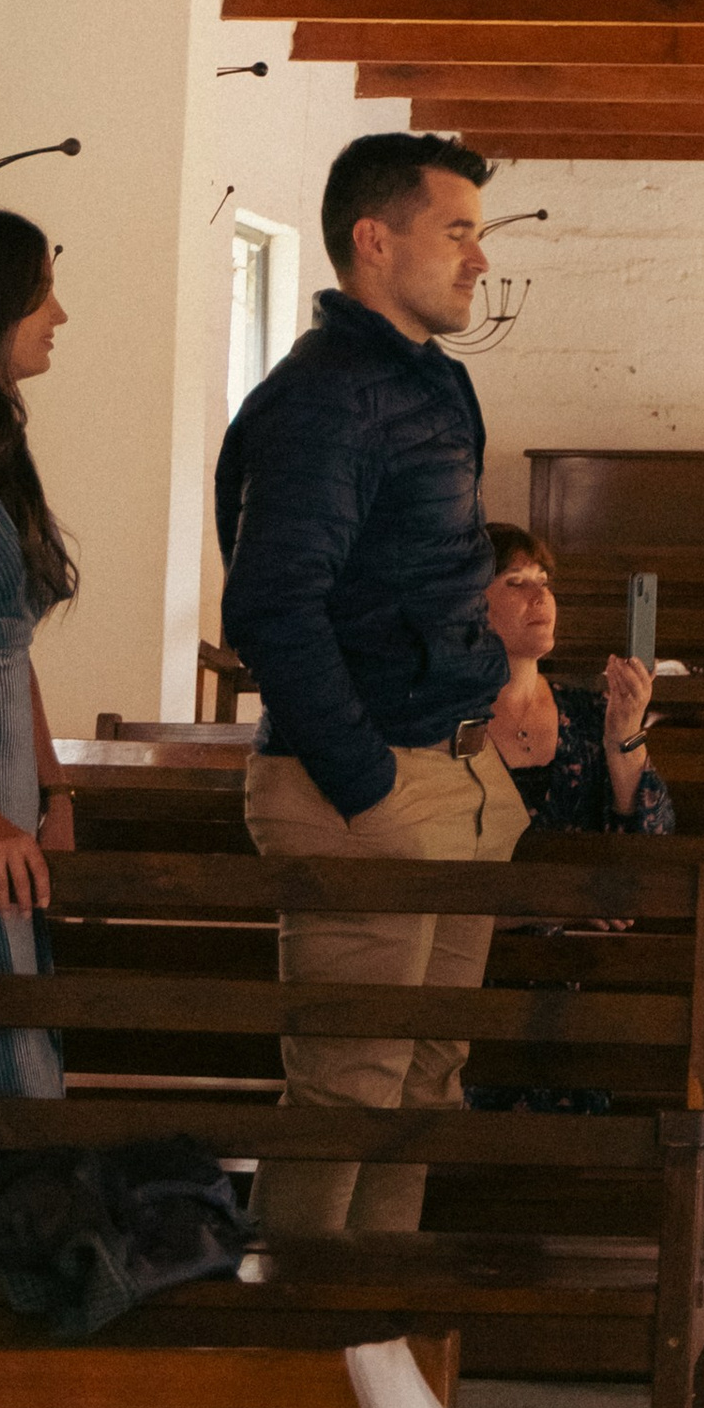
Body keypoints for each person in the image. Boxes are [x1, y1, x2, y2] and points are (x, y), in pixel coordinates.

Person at [219, 132, 517, 1235]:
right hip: (371, 785)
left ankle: (375, 1324)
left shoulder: (423, 380)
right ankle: (296, 1345)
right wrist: (367, 783)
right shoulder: (327, 397)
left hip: (451, 771)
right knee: (347, 1093)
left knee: (425, 1085)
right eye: (457, 232)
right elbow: (272, 606)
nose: (479, 258)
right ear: (374, 241)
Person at [0, 216, 73, 1103]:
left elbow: (10, 650)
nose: (59, 315)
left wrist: (54, 791)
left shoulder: (0, 454)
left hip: (7, 799)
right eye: (41, 293)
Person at [479, 525, 673, 836]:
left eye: (544, 582)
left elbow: (652, 837)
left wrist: (624, 735)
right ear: (471, 605)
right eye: (516, 582)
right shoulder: (442, 718)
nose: (541, 596)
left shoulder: (590, 711)